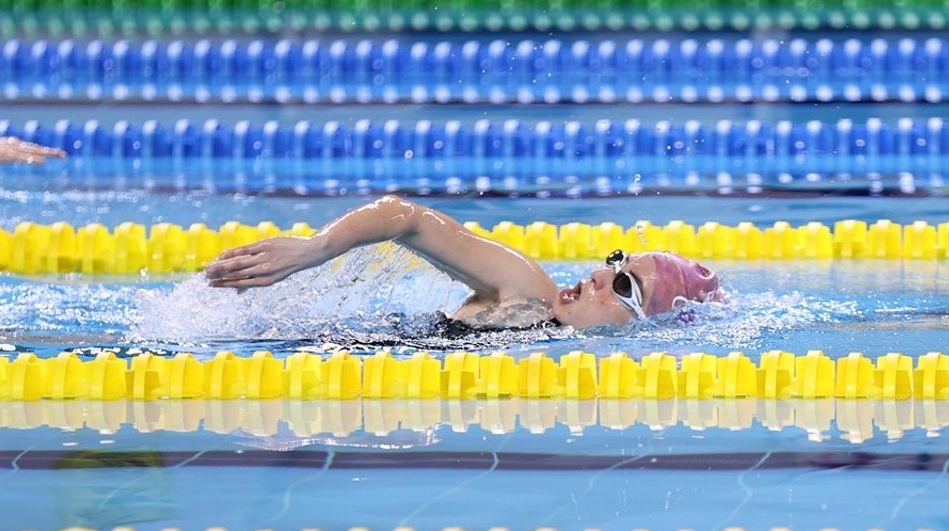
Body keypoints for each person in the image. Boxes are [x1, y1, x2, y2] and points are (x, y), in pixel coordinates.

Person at [204, 195, 722, 331]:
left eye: (625, 284)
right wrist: (314, 250)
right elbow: (403, 217)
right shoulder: (530, 293)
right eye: (616, 261)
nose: (601, 274)